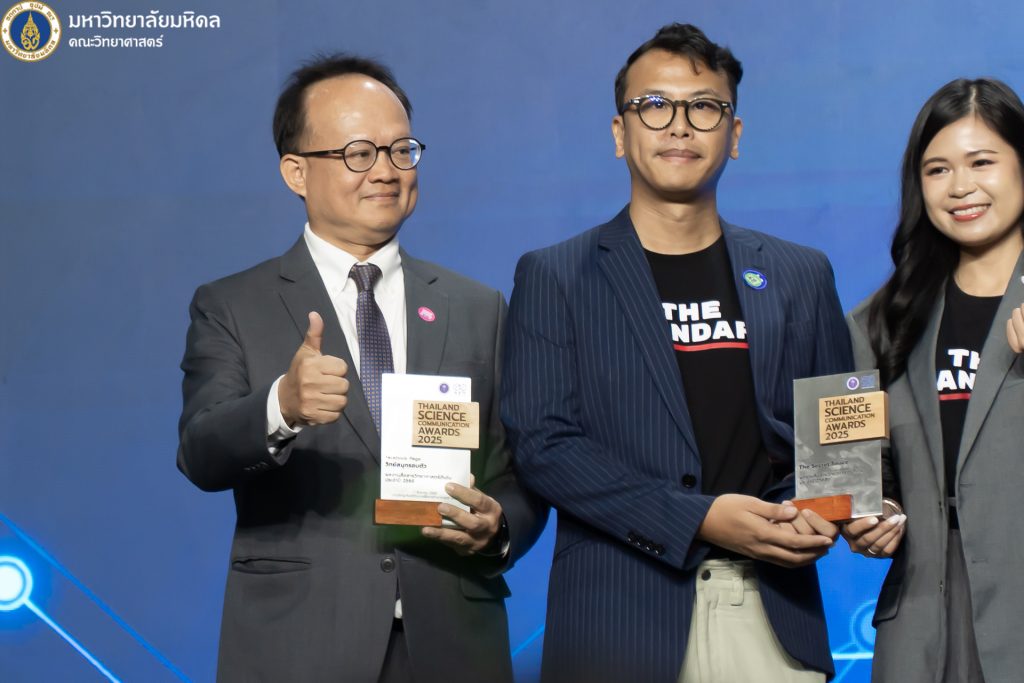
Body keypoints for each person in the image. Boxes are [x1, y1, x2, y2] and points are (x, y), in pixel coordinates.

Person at [177, 54, 546, 683]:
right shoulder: (232, 304)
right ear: (296, 171)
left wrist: (500, 526)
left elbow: (521, 471)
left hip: (454, 644)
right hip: (300, 645)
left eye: (402, 150)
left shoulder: (477, 306)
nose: (385, 170)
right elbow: (200, 452)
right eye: (358, 153)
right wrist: (281, 407)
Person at [502, 23, 852, 683]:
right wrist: (699, 518)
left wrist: (820, 508)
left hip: (773, 616)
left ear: (734, 134)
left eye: (704, 107)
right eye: (654, 105)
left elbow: (834, 437)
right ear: (620, 132)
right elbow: (545, 446)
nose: (679, 126)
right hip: (618, 626)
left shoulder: (800, 273)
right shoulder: (556, 275)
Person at [845, 78, 1024, 683]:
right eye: (937, 169)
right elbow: (858, 472)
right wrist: (869, 513)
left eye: (982, 162)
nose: (960, 187)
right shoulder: (877, 321)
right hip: (921, 625)